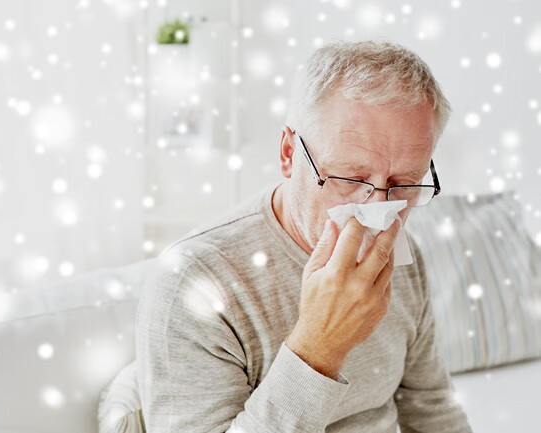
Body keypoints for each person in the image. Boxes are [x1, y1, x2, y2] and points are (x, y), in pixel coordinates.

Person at [136, 40, 473, 432]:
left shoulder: (399, 253)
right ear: (288, 153)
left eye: (403, 184)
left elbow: (432, 409)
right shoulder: (193, 283)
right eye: (351, 177)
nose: (379, 211)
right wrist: (320, 347)